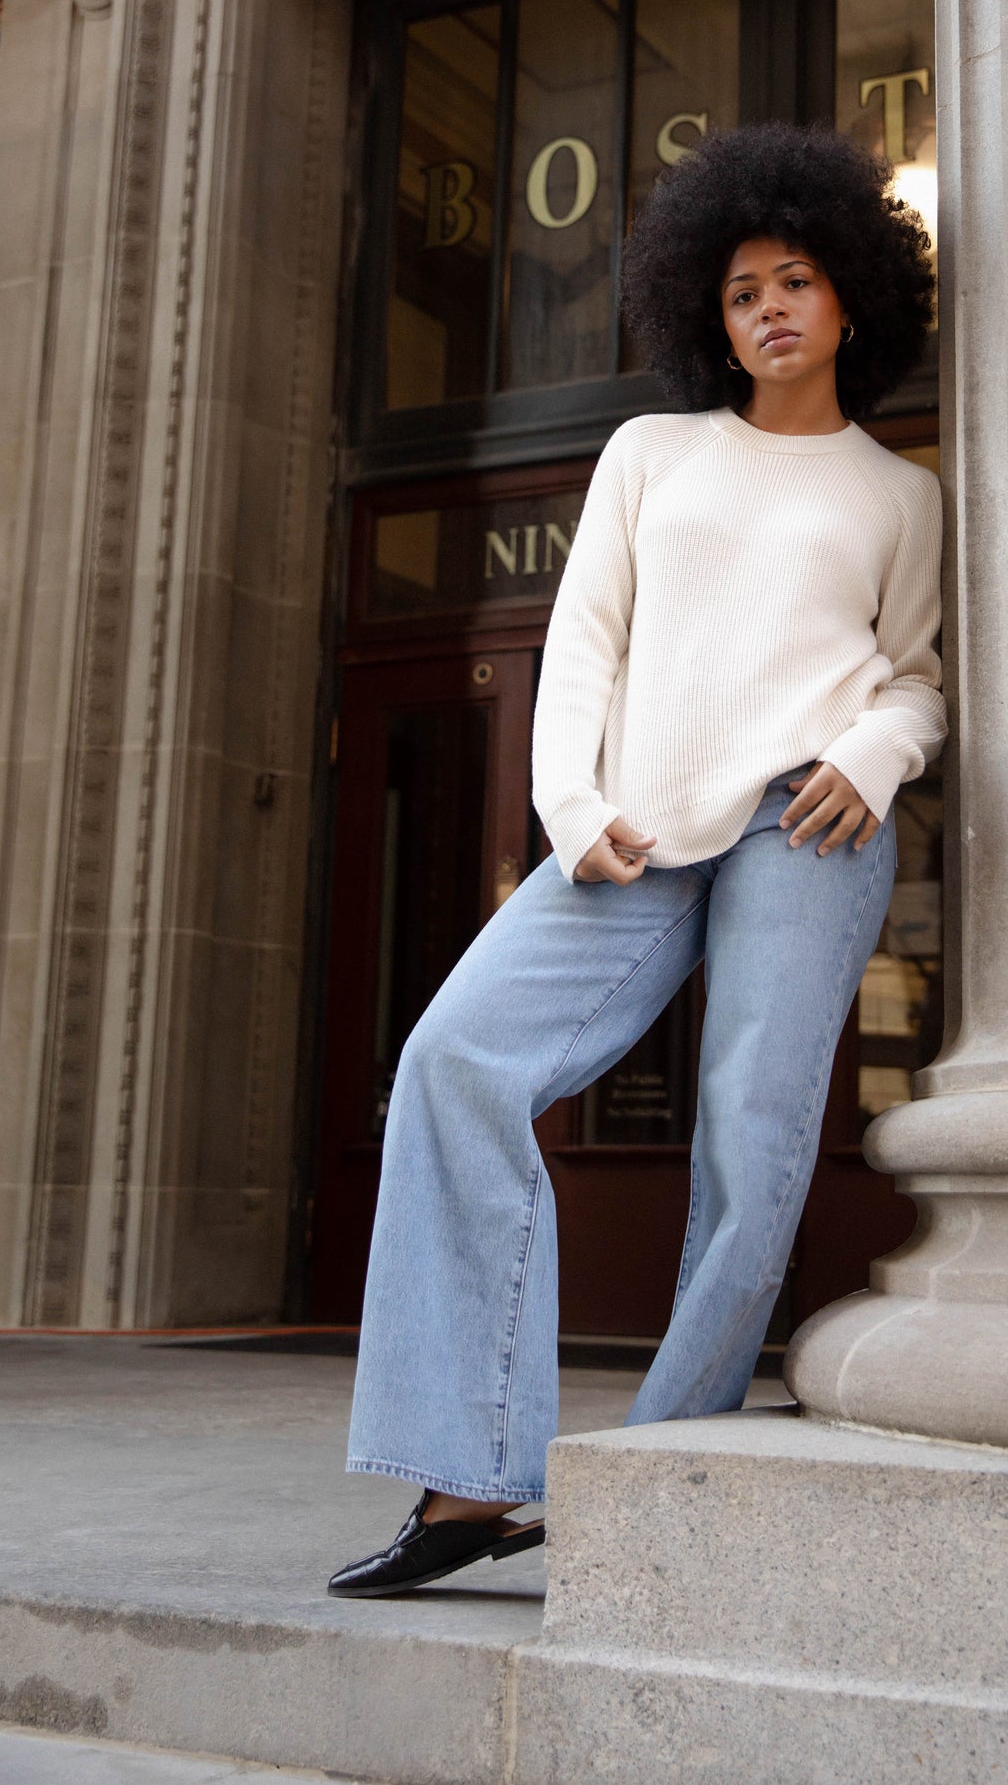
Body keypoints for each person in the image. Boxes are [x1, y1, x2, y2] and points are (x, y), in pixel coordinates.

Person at [329, 120, 944, 1597]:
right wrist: (566, 802)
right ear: (707, 319)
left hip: (810, 817)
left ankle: (660, 1477)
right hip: (639, 827)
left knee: (752, 1134)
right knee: (454, 1061)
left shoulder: (899, 492)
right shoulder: (651, 451)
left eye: (795, 281)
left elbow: (917, 678)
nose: (770, 308)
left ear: (851, 296)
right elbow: (586, 638)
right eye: (741, 292)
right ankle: (472, 1477)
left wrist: (876, 751)